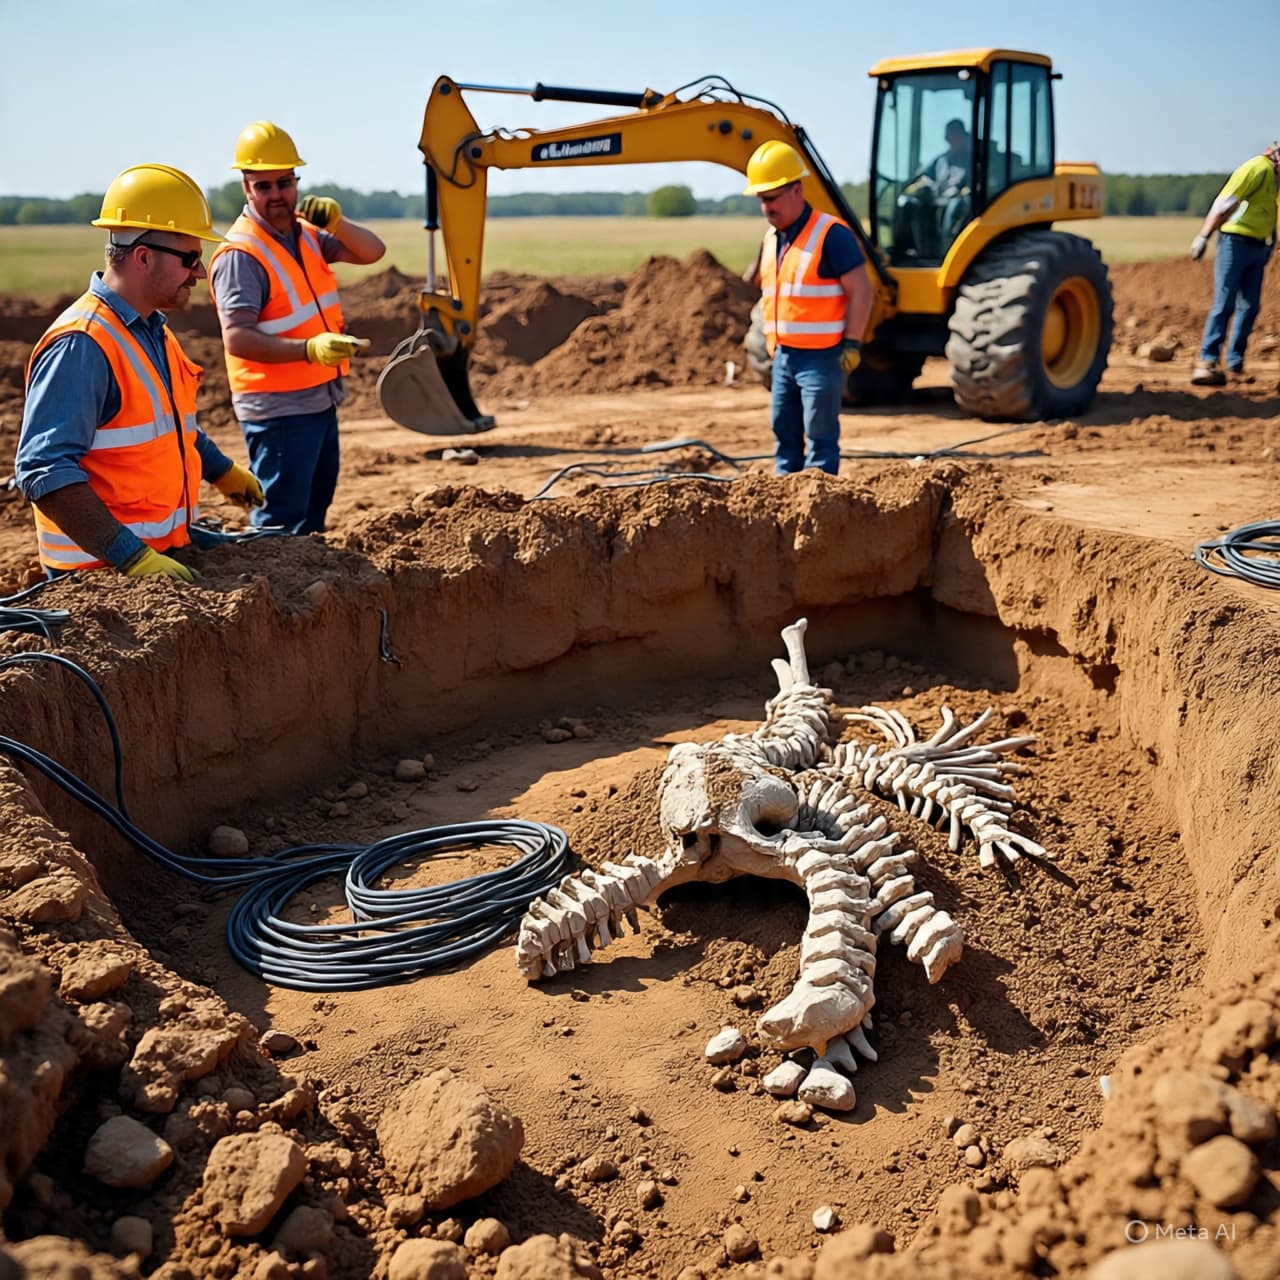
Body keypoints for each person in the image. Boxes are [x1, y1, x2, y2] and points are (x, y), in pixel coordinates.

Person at [16, 164, 263, 581]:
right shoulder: (83, 344)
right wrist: (131, 557)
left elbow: (168, 428)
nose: (200, 273)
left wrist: (221, 471)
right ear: (143, 257)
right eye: (190, 258)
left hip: (156, 558)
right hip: (99, 580)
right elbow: (45, 471)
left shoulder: (152, 331)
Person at [209, 121, 385, 533]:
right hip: (278, 409)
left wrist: (337, 223)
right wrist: (309, 349)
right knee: (281, 522)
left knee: (312, 515)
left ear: (296, 182)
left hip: (317, 396)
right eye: (264, 185)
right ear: (246, 188)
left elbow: (373, 251)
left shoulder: (307, 235)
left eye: (284, 183)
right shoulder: (242, 254)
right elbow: (236, 338)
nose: (276, 195)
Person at [742, 140, 874, 476]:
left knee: (820, 438)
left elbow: (862, 292)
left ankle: (820, 500)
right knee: (784, 434)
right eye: (761, 199)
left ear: (797, 190)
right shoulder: (773, 239)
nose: (765, 206)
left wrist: (853, 342)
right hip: (783, 356)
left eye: (771, 197)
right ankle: (785, 496)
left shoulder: (831, 235)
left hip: (822, 358)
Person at [1190, 141, 1280, 386]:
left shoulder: (1276, 180)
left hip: (1258, 246)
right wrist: (1204, 236)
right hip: (1234, 243)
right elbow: (1225, 203)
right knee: (1225, 302)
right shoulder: (1257, 169)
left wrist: (1273, 243)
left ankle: (1234, 363)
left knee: (1250, 306)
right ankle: (1207, 361)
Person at [896, 119, 973, 257]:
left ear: (963, 136)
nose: (951, 139)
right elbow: (924, 178)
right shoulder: (940, 160)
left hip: (960, 206)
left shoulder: (973, 159)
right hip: (936, 204)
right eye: (949, 136)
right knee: (908, 203)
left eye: (955, 135)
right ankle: (919, 254)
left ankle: (949, 254)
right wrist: (920, 187)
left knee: (956, 206)